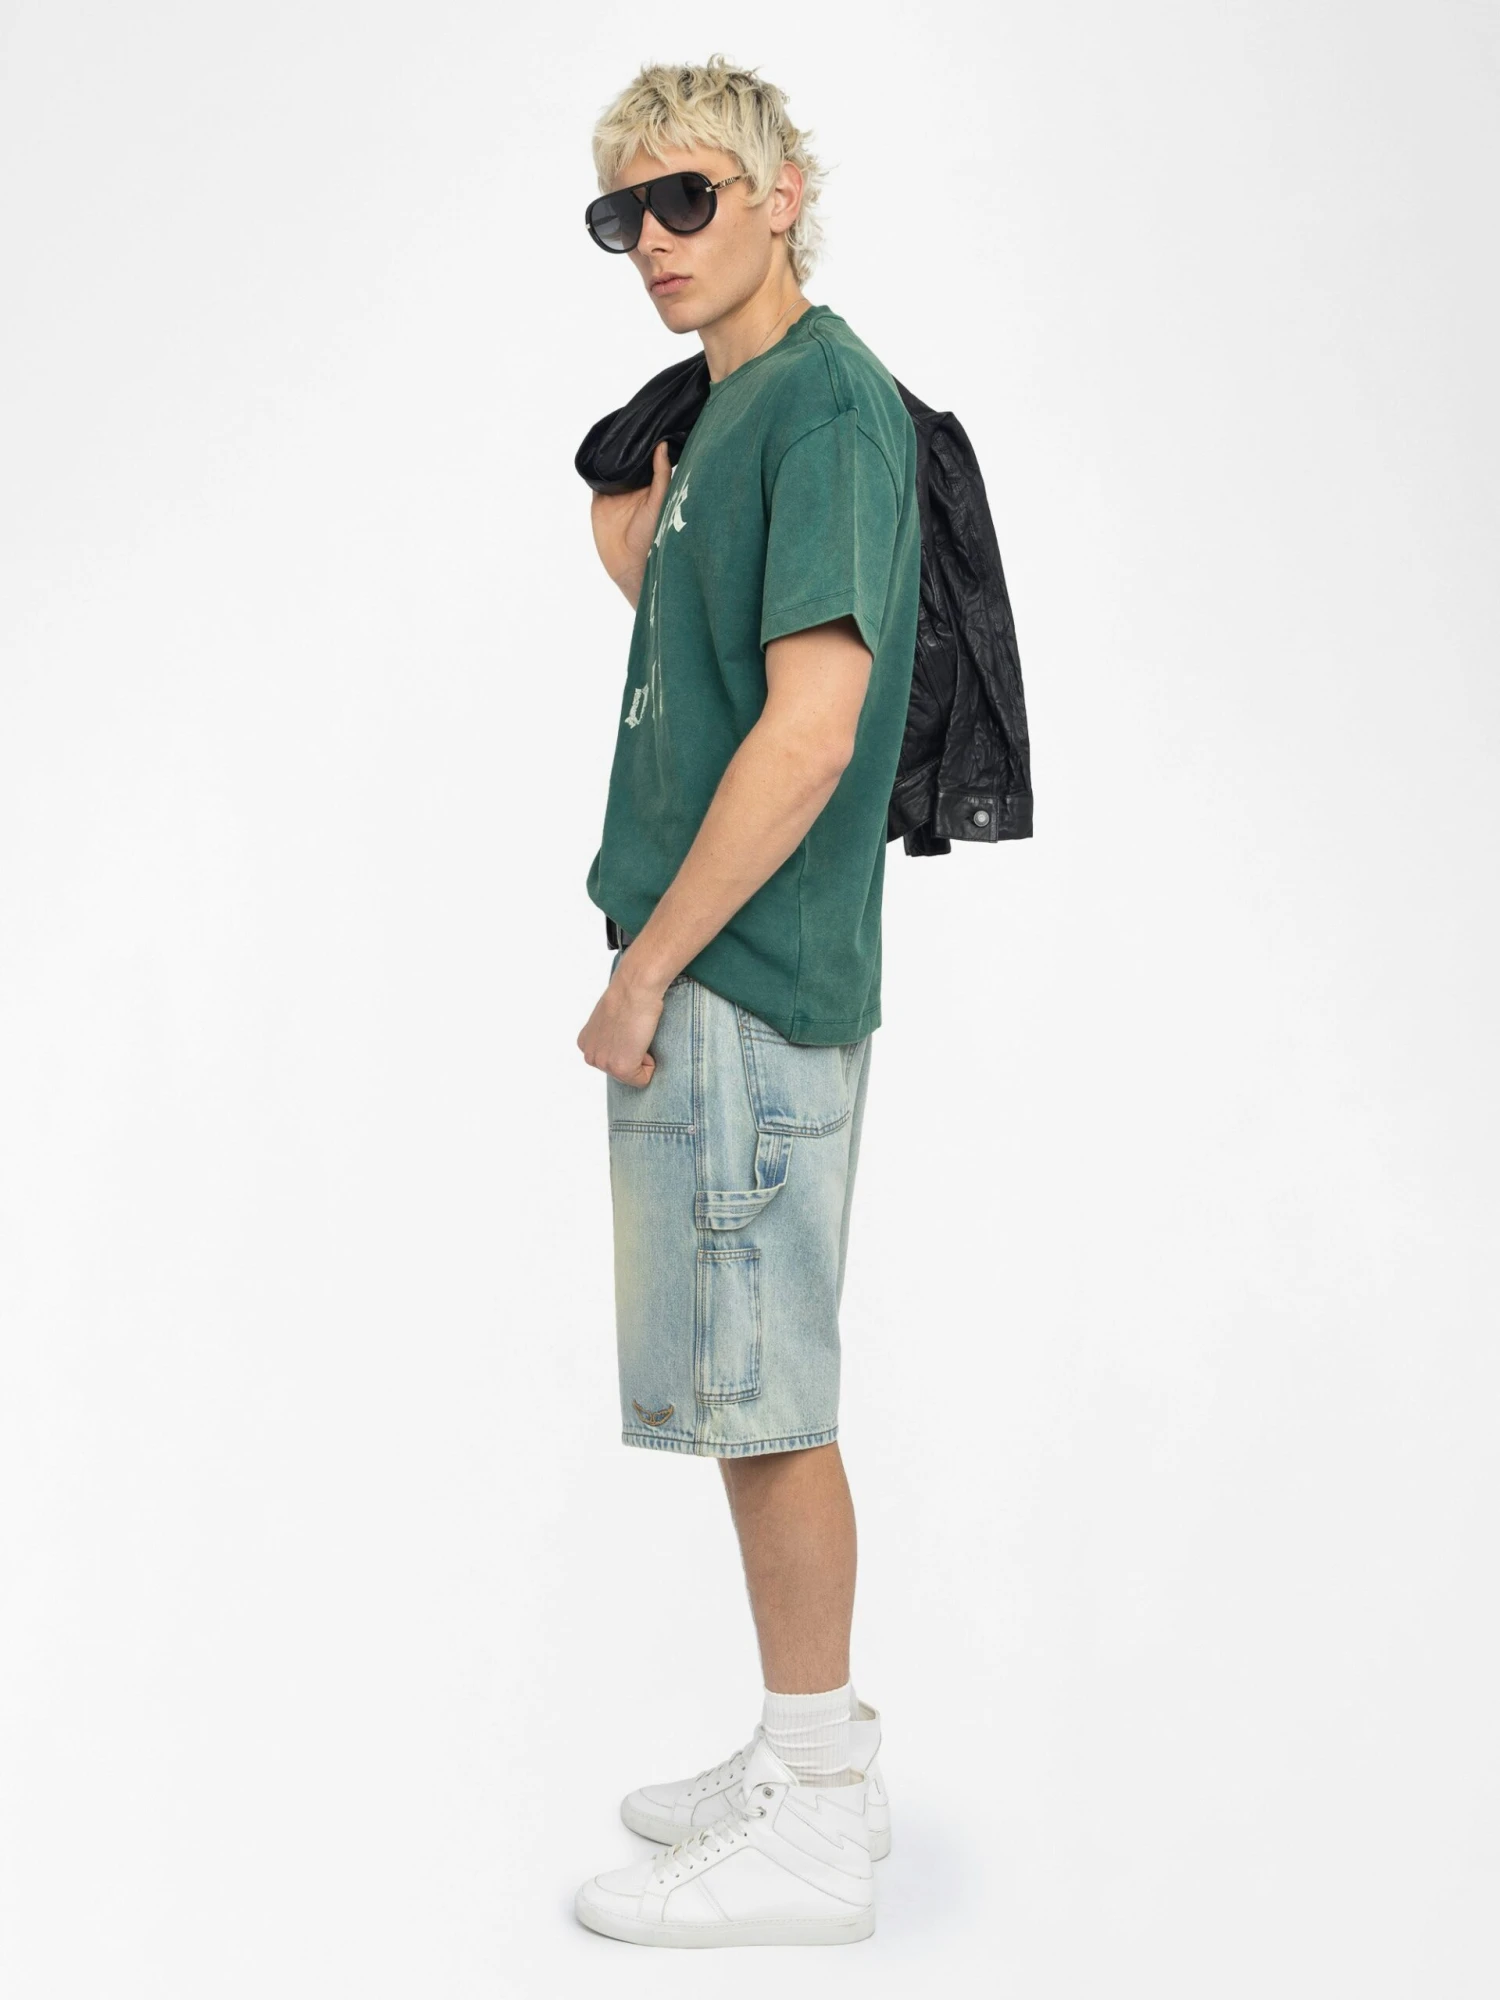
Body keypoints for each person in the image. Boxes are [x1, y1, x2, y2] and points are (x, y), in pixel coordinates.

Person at [573, 54, 922, 1948]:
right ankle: (810, 1749)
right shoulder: (736, 415)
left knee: (771, 1403)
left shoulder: (826, 412)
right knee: (742, 1389)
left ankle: (821, 1826)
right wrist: (639, 535)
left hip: (741, 983)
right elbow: (712, 651)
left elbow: (812, 731)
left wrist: (645, 972)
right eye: (625, 213)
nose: (652, 240)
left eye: (689, 197)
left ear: (785, 193)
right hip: (717, 975)